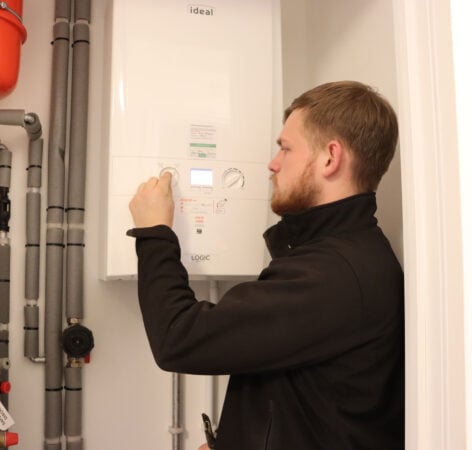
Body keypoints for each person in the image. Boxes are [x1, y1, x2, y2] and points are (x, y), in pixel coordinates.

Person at [127, 81, 404, 449]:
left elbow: (179, 337)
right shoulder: (338, 257)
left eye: (285, 148)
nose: (273, 164)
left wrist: (154, 233)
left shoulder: (334, 273)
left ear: (329, 157)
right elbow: (301, 393)